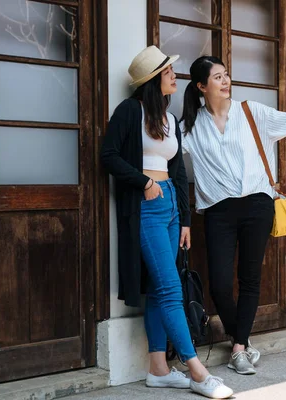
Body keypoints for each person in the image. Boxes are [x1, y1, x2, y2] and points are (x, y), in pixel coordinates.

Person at [181, 55, 286, 375]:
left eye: (226, 75)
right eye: (217, 77)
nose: (226, 81)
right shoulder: (190, 126)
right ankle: (240, 337)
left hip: (258, 205)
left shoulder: (251, 111)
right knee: (218, 284)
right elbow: (167, 155)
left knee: (250, 279)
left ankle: (240, 347)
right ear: (202, 86)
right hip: (218, 211)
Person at [100, 46, 233, 399]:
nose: (175, 76)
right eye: (168, 71)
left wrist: (186, 220)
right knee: (171, 288)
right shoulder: (130, 112)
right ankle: (198, 372)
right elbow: (108, 155)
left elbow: (176, 171)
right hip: (146, 207)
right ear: (152, 80)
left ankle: (158, 370)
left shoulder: (170, 120)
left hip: (172, 207)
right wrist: (143, 181)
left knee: (162, 290)